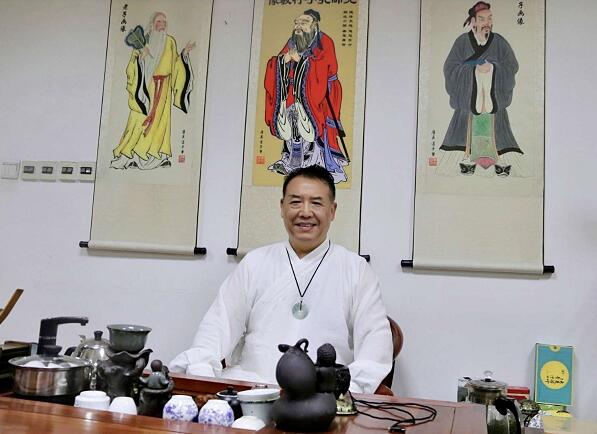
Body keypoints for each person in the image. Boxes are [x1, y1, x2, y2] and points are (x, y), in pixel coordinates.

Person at [169, 165, 392, 393]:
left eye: (316, 203)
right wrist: (202, 374)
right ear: (282, 208)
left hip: (324, 397)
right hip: (254, 391)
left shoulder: (356, 270)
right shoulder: (255, 263)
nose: (305, 212)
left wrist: (343, 393)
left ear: (332, 211)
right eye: (295, 202)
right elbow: (217, 326)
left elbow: (375, 347)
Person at [438, 1, 525, 178]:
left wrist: (493, 69)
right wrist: (474, 71)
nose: (487, 23)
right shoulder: (462, 42)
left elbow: (512, 66)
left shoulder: (499, 42)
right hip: (468, 108)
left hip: (493, 107)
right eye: (482, 19)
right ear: (473, 21)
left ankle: (500, 163)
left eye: (490, 18)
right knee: (462, 142)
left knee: (500, 141)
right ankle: (466, 160)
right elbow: (450, 69)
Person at [264, 9, 349, 184]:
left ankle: (322, 164)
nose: (298, 26)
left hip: (322, 92)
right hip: (296, 92)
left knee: (317, 128)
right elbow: (278, 61)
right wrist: (283, 60)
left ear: (314, 25)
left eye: (303, 23)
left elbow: (325, 67)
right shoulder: (292, 41)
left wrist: (302, 61)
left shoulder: (325, 42)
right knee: (292, 121)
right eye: (297, 22)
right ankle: (291, 162)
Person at [111, 12, 195, 170]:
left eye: (164, 22)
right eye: (158, 21)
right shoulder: (143, 41)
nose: (162, 24)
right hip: (146, 87)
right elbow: (132, 66)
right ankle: (133, 156)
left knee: (160, 123)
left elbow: (175, 64)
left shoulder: (170, 41)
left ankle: (158, 156)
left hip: (164, 90)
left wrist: (184, 54)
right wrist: (141, 58)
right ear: (152, 23)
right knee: (139, 121)